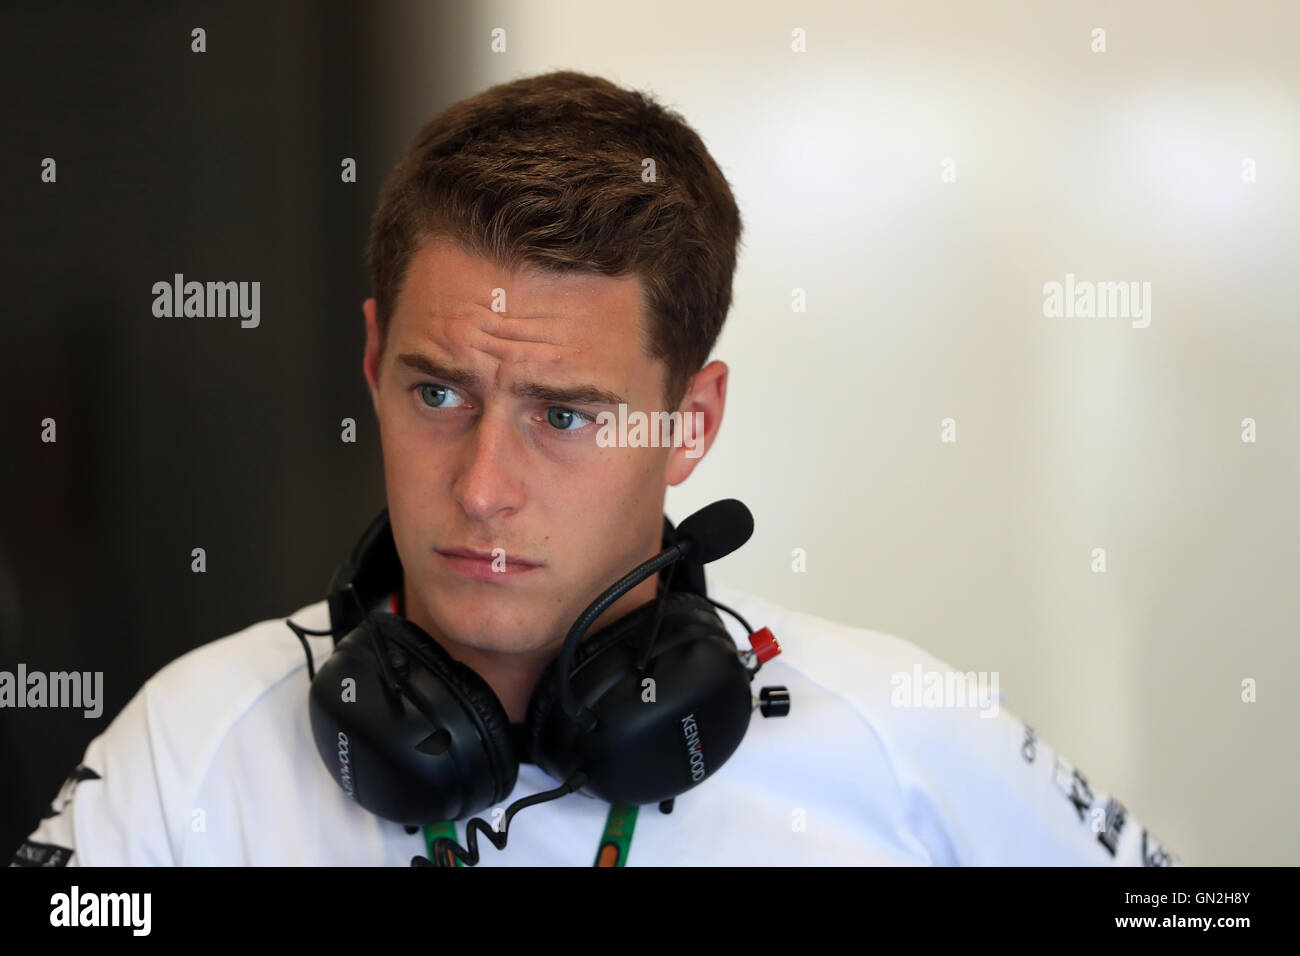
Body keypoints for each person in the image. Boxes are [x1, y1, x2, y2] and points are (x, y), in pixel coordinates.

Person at [11, 70, 1178, 867]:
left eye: (565, 416)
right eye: (437, 392)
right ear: (369, 358)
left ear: (690, 419)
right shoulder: (188, 751)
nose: (479, 487)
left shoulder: (906, 738)